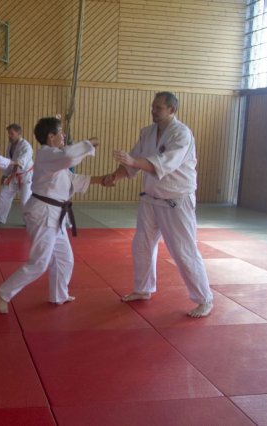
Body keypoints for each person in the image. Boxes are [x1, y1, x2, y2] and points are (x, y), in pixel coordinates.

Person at [101, 91, 213, 318]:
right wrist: (115, 176)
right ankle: (143, 289)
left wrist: (133, 161)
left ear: (172, 110)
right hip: (150, 198)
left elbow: (162, 164)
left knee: (183, 251)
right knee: (141, 245)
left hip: (176, 200)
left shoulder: (181, 134)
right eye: (153, 106)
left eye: (158, 107)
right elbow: (132, 161)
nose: (153, 110)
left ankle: (204, 299)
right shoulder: (148, 132)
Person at [0, 116, 104, 313]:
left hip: (55, 214)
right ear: (51, 136)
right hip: (44, 213)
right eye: (60, 132)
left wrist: (103, 179)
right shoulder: (47, 154)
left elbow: (72, 179)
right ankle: (4, 292)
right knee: (39, 263)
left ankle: (59, 295)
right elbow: (69, 156)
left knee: (64, 258)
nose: (64, 135)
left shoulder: (56, 160)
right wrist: (90, 143)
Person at [0, 123, 34, 227]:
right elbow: (9, 162)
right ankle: (0, 219)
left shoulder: (26, 146)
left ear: (19, 133)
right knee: (4, 195)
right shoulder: (10, 146)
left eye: (12, 133)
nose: (9, 136)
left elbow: (21, 161)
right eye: (9, 133)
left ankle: (29, 222)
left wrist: (5, 162)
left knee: (25, 201)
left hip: (26, 177)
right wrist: (5, 175)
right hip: (14, 175)